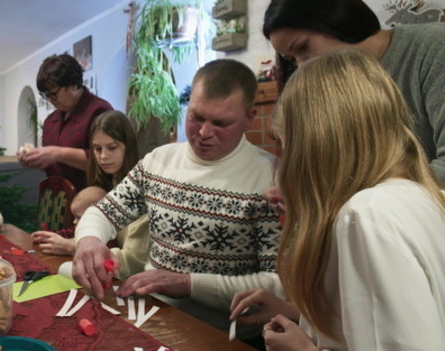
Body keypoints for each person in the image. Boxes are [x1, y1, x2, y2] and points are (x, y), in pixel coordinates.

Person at [240, 48, 445, 351]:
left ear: (312, 146)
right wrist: (298, 313)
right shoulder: (424, 195)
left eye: (284, 145)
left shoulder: (366, 216)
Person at [72, 59, 283, 343]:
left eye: (221, 123)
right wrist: (88, 240)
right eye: (196, 117)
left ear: (249, 118)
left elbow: (277, 286)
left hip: (225, 336)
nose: (204, 133)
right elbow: (104, 213)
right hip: (152, 319)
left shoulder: (271, 179)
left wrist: (188, 285)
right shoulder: (159, 161)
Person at [262, 0, 445, 183]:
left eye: (303, 47)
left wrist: (368, 196)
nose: (301, 66)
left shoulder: (434, 47)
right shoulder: (325, 84)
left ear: (335, 19)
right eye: (292, 59)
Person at [32, 110, 150, 279]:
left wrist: (71, 246)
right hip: (111, 273)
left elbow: (134, 260)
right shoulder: (107, 184)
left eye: (112, 147)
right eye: (97, 148)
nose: (103, 156)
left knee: (64, 271)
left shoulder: (140, 188)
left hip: (135, 279)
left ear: (128, 147)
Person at [16, 54, 113, 191]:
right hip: (56, 200)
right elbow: (52, 165)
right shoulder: (51, 121)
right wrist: (33, 159)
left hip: (90, 201)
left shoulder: (99, 112)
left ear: (74, 85)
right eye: (45, 95)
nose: (49, 100)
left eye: (53, 94)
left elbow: (107, 160)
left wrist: (59, 153)